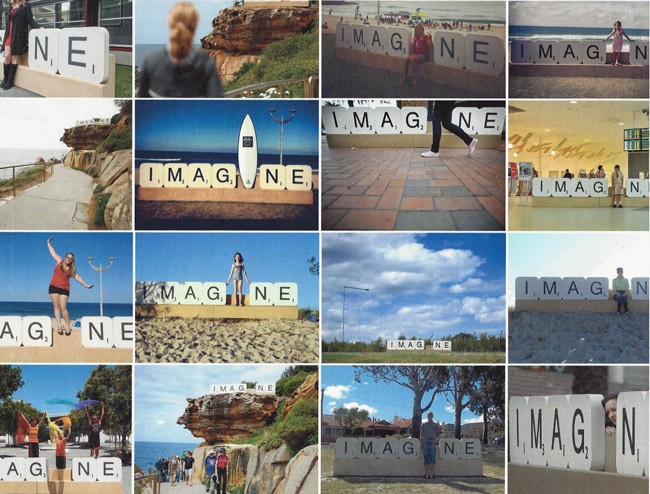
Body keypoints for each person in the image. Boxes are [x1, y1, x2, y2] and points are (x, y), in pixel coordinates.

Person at [137, 2, 223, 98]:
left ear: (169, 24)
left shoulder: (151, 61)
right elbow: (217, 100)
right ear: (195, 27)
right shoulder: (205, 62)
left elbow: (141, 99)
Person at [47, 237, 94, 336]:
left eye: (70, 259)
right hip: (53, 287)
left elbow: (79, 278)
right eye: (67, 257)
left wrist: (87, 285)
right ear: (65, 257)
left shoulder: (72, 270)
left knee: (63, 307)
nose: (68, 259)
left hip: (64, 289)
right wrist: (48, 243)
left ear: (72, 261)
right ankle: (59, 325)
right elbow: (53, 252)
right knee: (56, 306)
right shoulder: (59, 261)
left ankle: (67, 325)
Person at [1, 0, 41, 90]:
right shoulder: (11, 5)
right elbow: (8, 23)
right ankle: (5, 78)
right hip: (8, 34)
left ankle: (10, 81)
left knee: (14, 57)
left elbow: (30, 20)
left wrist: (39, 27)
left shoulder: (26, 6)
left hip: (18, 35)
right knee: (7, 56)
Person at [420, 412, 440, 479]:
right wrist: (422, 442)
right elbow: (421, 434)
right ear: (427, 416)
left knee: (432, 458)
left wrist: (436, 440)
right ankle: (426, 474)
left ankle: (431, 474)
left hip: (432, 443)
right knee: (426, 458)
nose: (430, 417)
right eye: (429, 415)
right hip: (426, 442)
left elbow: (438, 433)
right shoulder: (424, 424)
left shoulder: (435, 425)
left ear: (432, 416)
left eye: (431, 416)